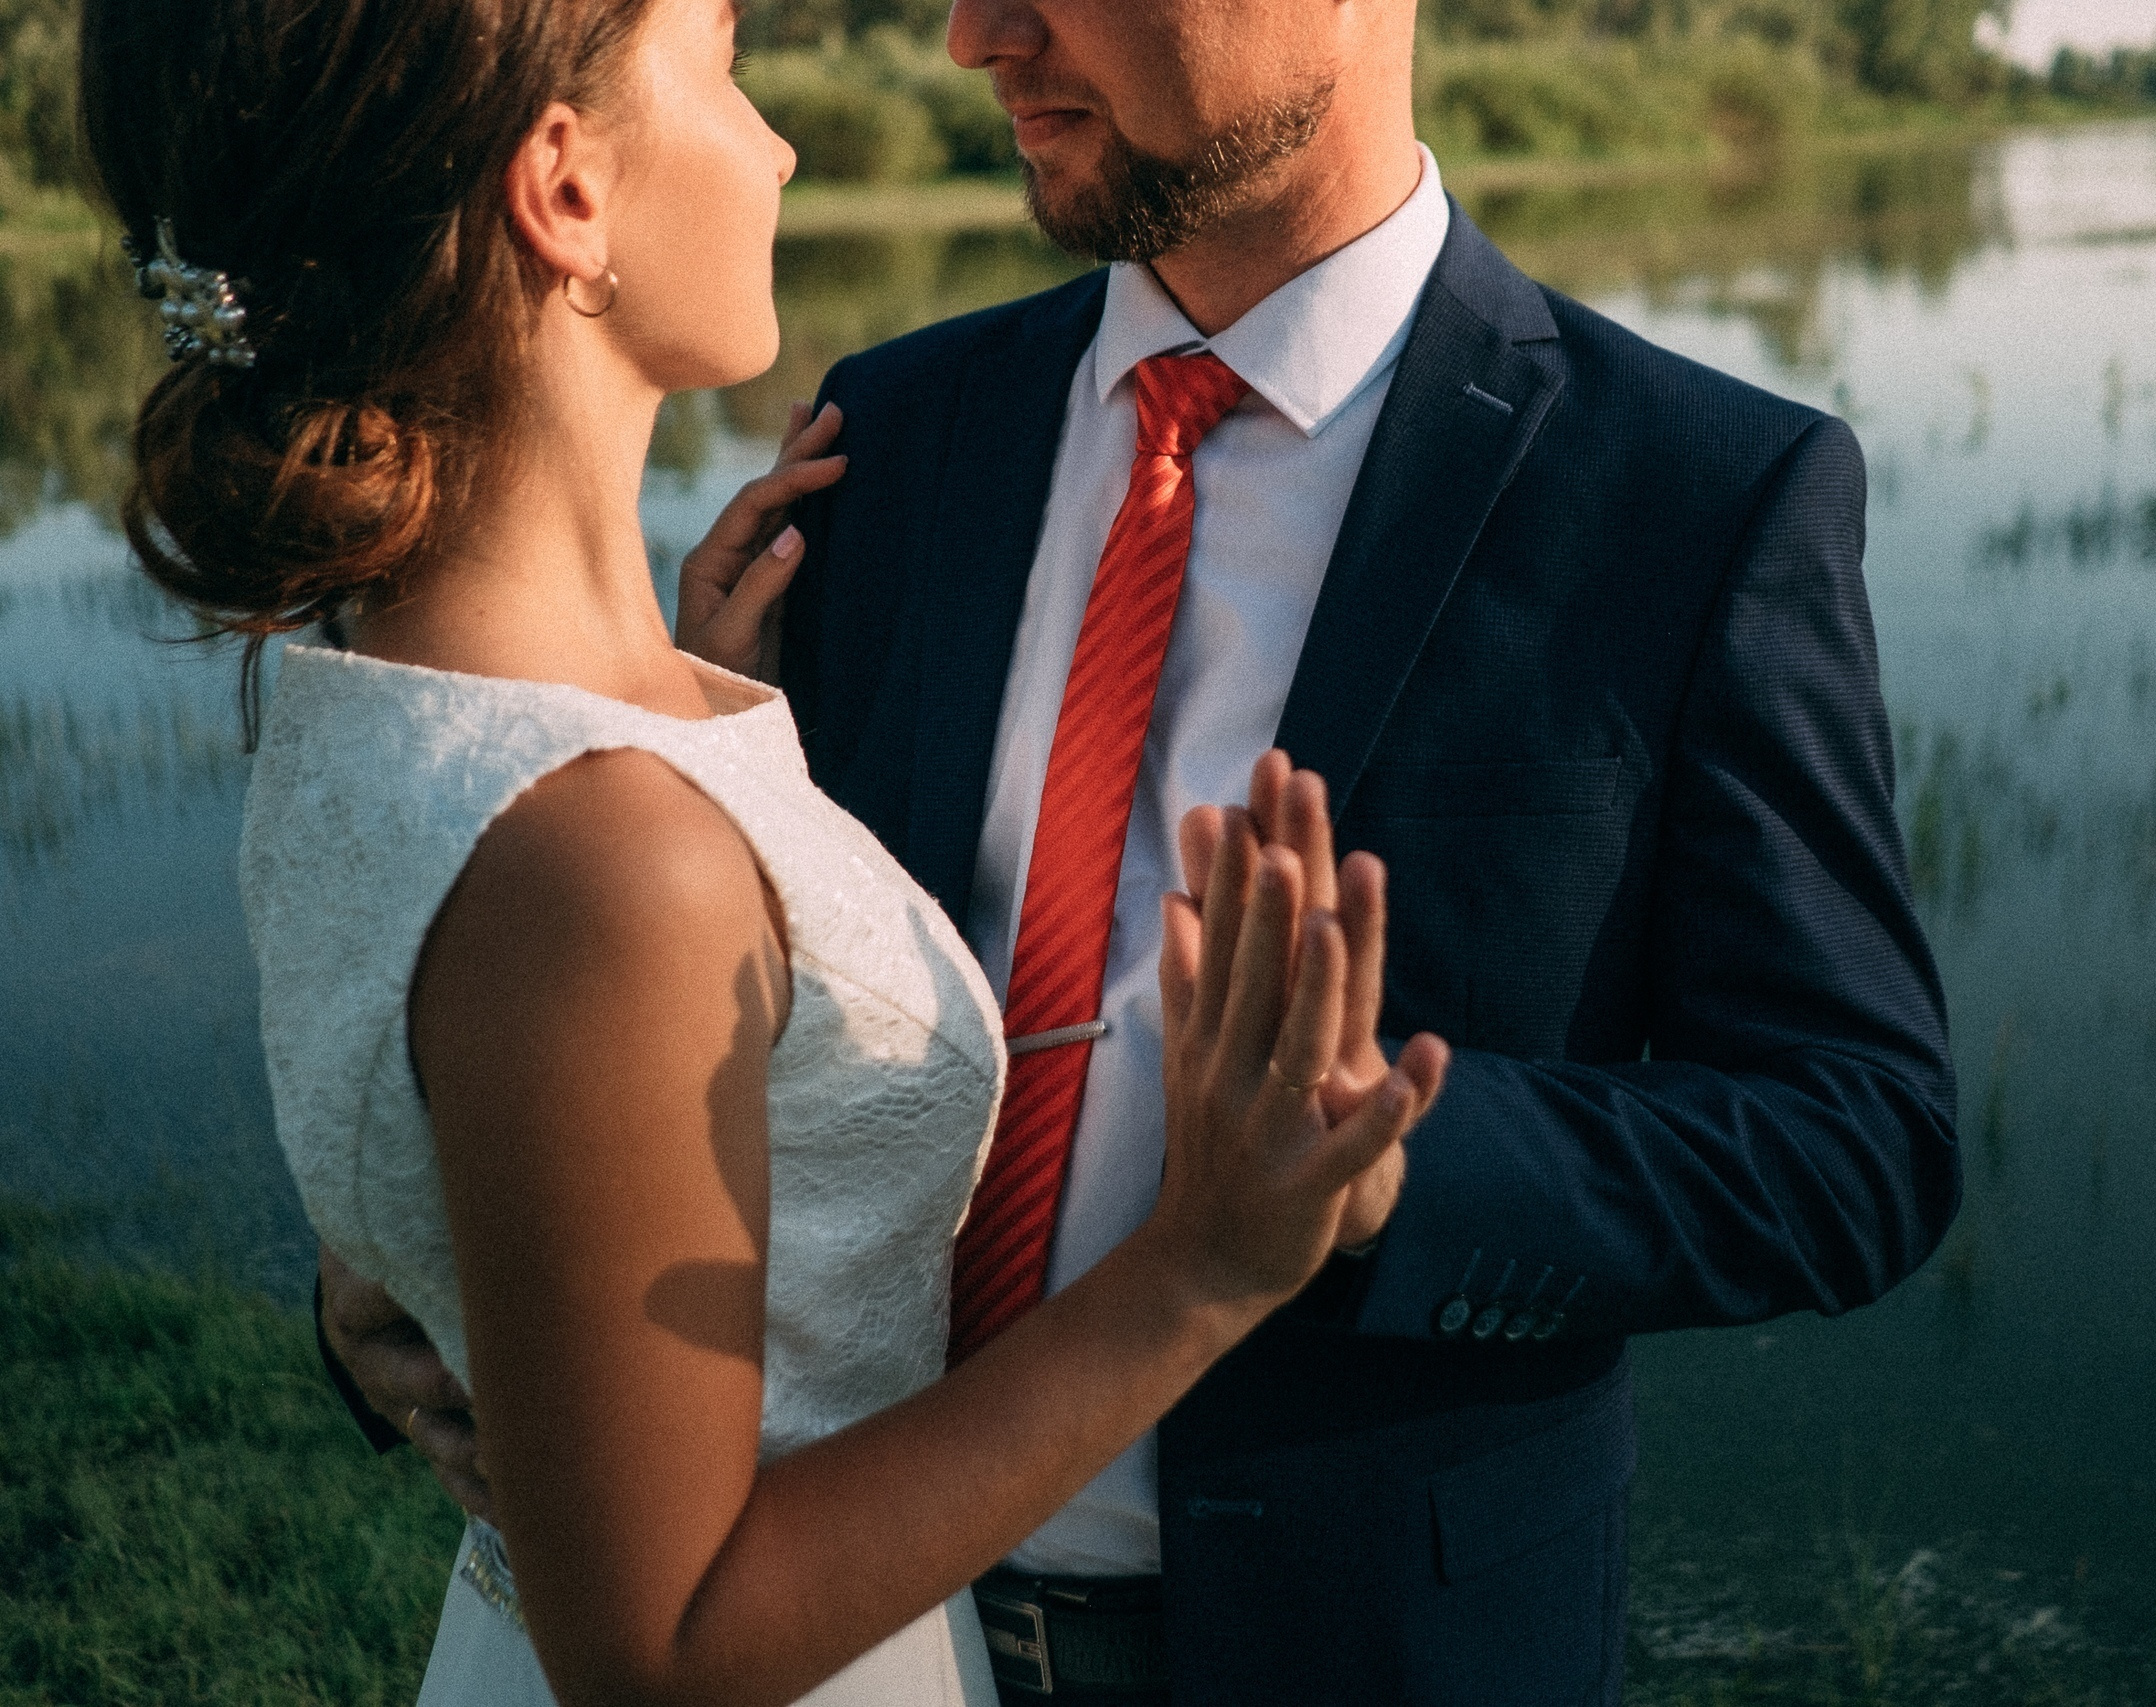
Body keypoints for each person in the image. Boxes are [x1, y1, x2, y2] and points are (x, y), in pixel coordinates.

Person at [82, 0, 1450, 1703]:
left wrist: (727, 750)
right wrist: (1199, 1267)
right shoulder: (607, 853)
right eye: (727, 62)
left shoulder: (380, 688)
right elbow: (664, 1654)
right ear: (565, 191)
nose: (787, 142)